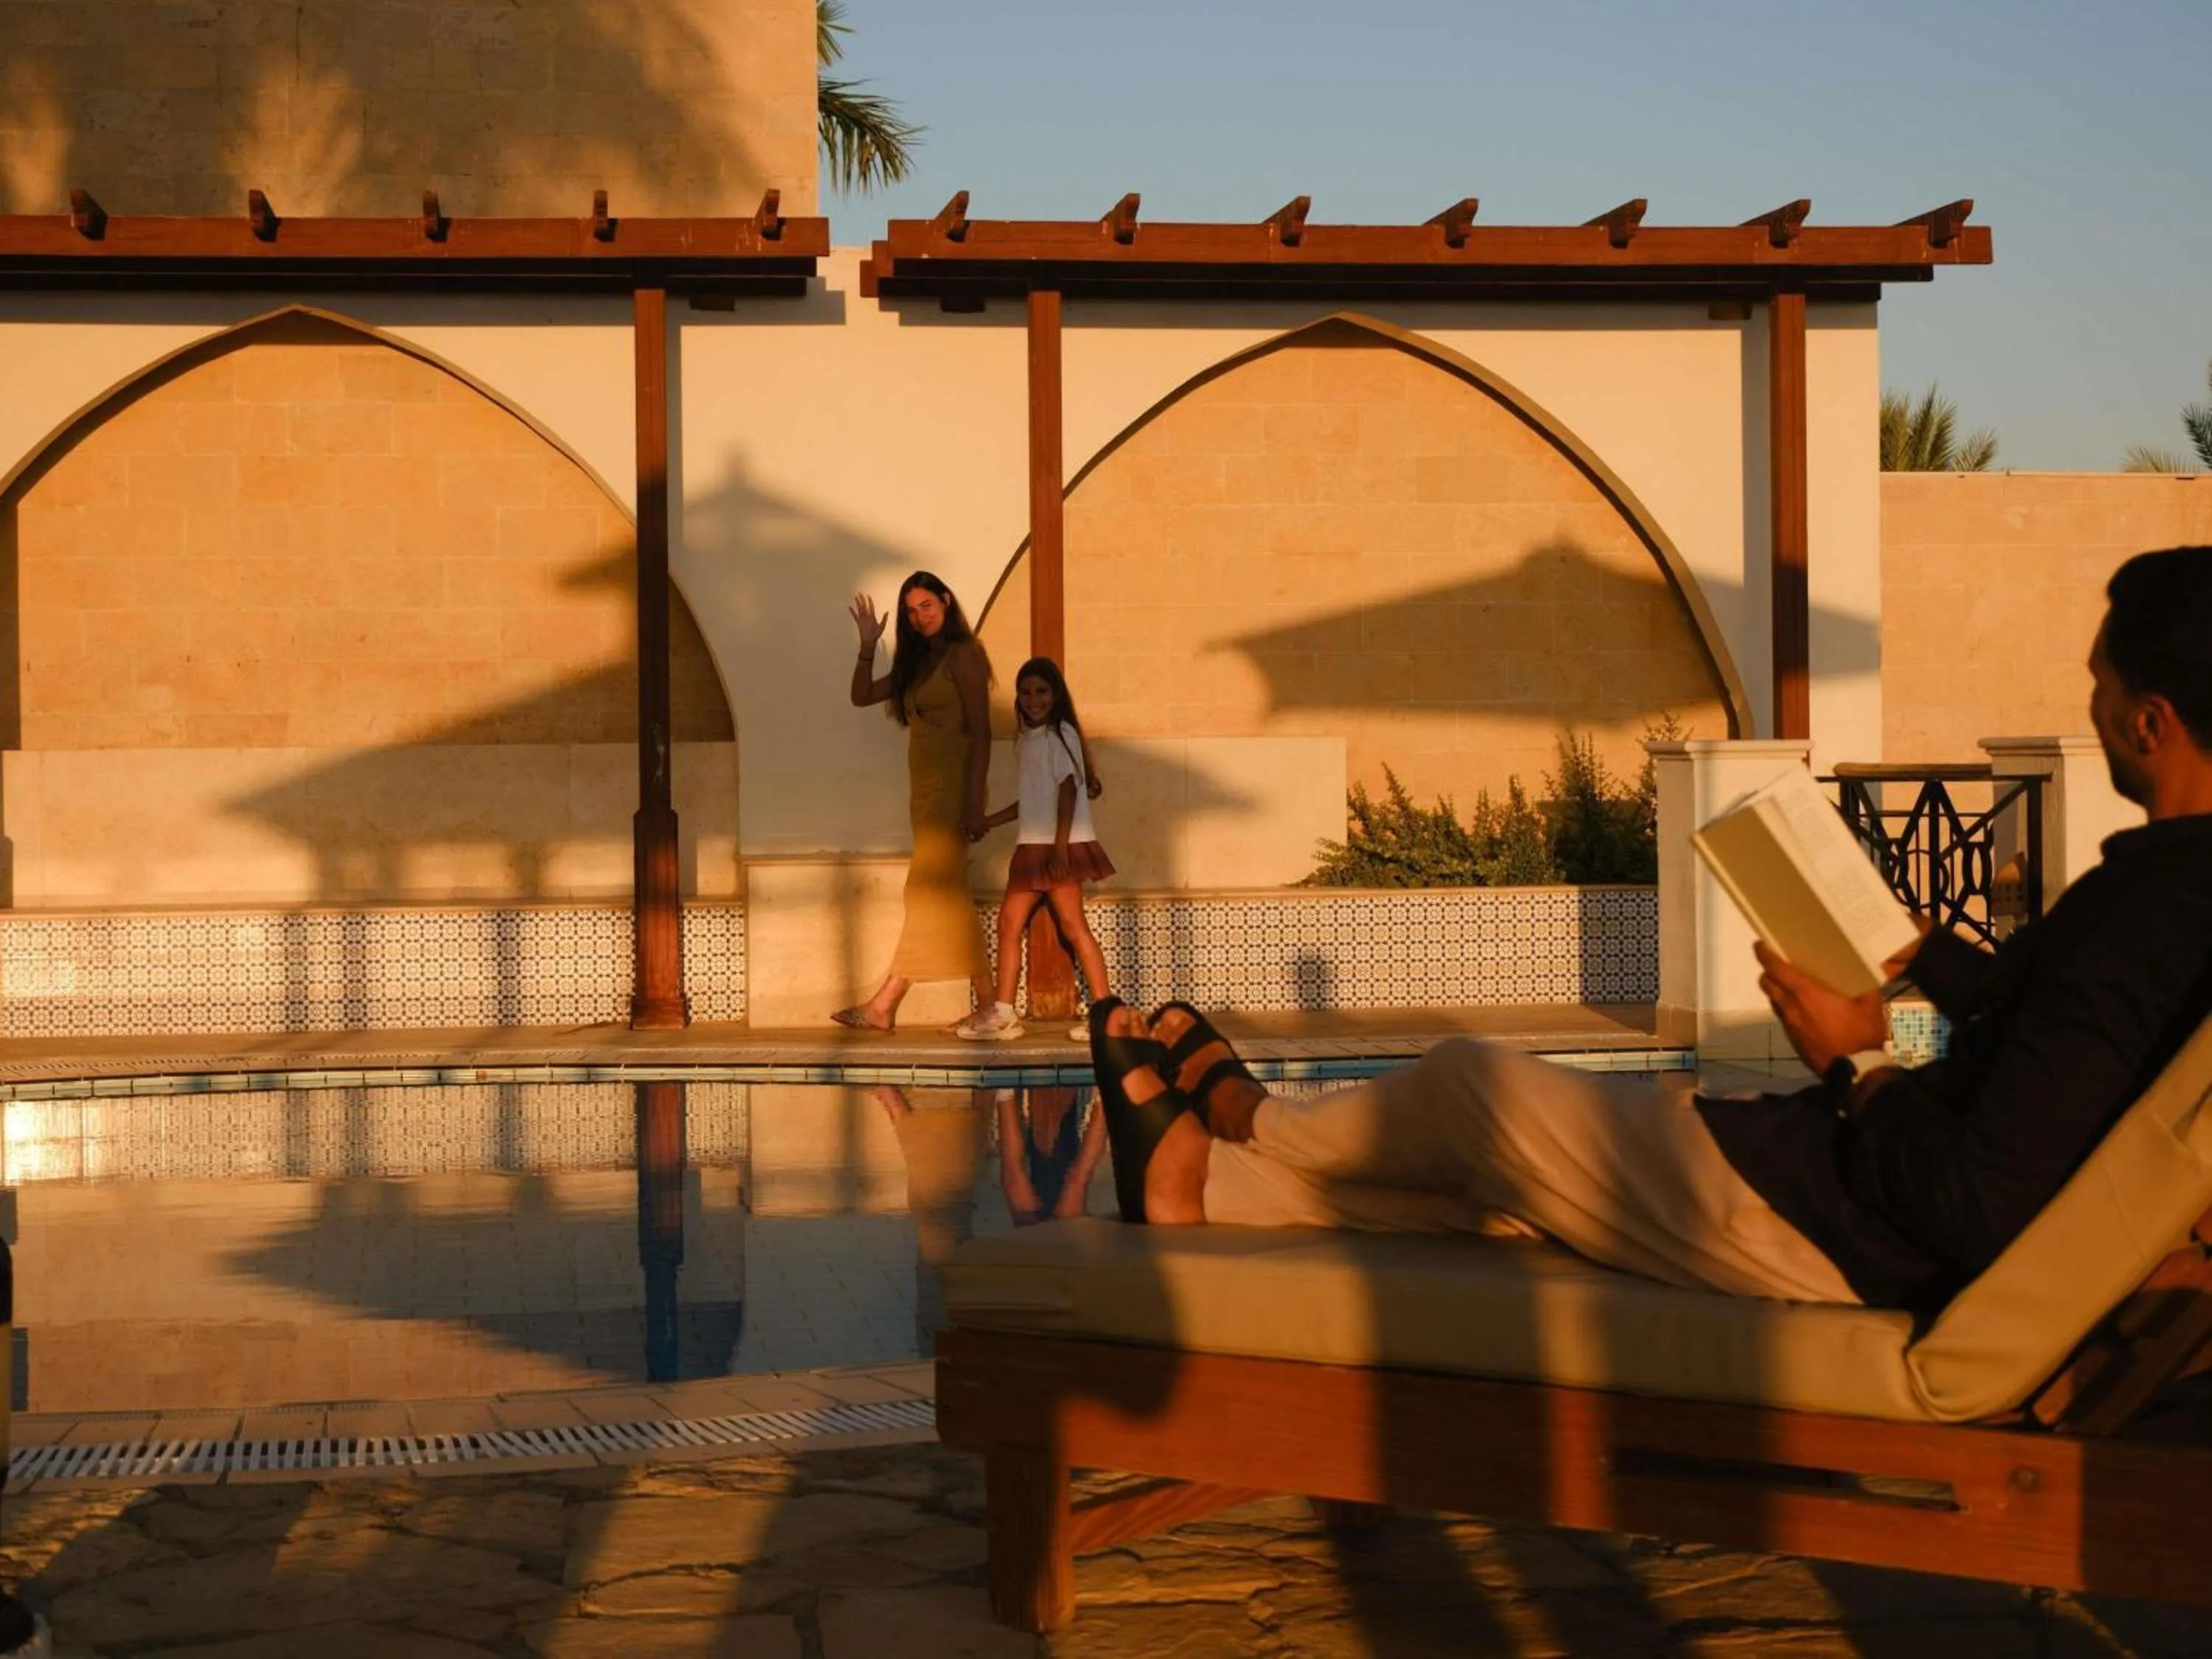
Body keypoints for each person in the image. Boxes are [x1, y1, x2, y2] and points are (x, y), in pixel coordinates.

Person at [1087, 546, 2212, 1318]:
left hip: (1834, 1229)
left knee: (1478, 1087)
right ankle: (1204, 1190)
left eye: (2100, 686)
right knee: (1505, 1191)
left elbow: (1980, 1199)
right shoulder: (2175, 903)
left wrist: (1855, 1058)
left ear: (2149, 721)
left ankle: (1254, 1122)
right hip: (1826, 1191)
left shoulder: (2141, 916)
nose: (2090, 706)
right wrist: (1931, 956)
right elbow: (2058, 1051)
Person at [836, 573, 995, 1031]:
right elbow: (862, 696)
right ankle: (992, 1006)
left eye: (927, 605)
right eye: (912, 610)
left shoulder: (964, 654)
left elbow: (982, 731)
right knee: (947, 895)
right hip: (925, 793)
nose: (920, 616)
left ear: (945, 600)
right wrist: (868, 646)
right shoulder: (919, 662)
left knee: (924, 892)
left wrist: (973, 803)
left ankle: (884, 1003)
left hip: (953, 791)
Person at [957, 657, 1115, 1042]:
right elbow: (1032, 799)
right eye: (1026, 693)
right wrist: (988, 821)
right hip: (1032, 847)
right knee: (1009, 924)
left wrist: (1060, 848)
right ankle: (1005, 1014)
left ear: (1056, 694)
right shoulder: (1028, 739)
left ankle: (1106, 1015)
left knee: (1074, 927)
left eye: (1042, 691)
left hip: (1056, 848)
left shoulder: (1062, 734)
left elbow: (1067, 790)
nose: (1034, 700)